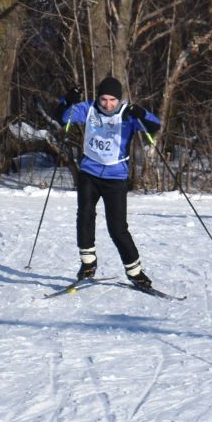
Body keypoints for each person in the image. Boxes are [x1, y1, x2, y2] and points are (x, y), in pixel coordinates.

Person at [59, 77, 164, 291]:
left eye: (112, 100)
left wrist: (140, 113)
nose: (108, 105)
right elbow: (62, 117)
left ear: (119, 99)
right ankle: (88, 263)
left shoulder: (127, 113)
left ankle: (135, 272)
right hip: (89, 172)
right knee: (85, 214)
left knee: (117, 228)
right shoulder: (88, 108)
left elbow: (155, 126)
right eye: (104, 99)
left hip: (116, 177)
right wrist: (67, 100)